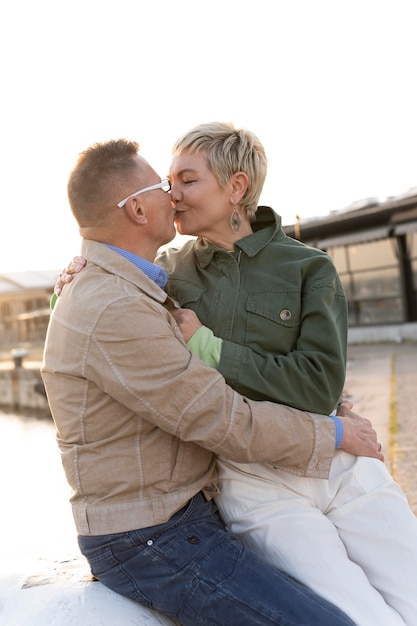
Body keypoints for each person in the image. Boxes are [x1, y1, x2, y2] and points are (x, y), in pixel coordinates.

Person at [56, 122, 417, 626]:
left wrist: (212, 348)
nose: (172, 195)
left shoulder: (308, 268)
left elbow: (318, 387)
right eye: (165, 183)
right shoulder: (167, 272)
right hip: (252, 478)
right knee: (358, 617)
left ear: (237, 188)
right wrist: (75, 271)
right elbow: (110, 300)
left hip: (340, 459)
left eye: (186, 180)